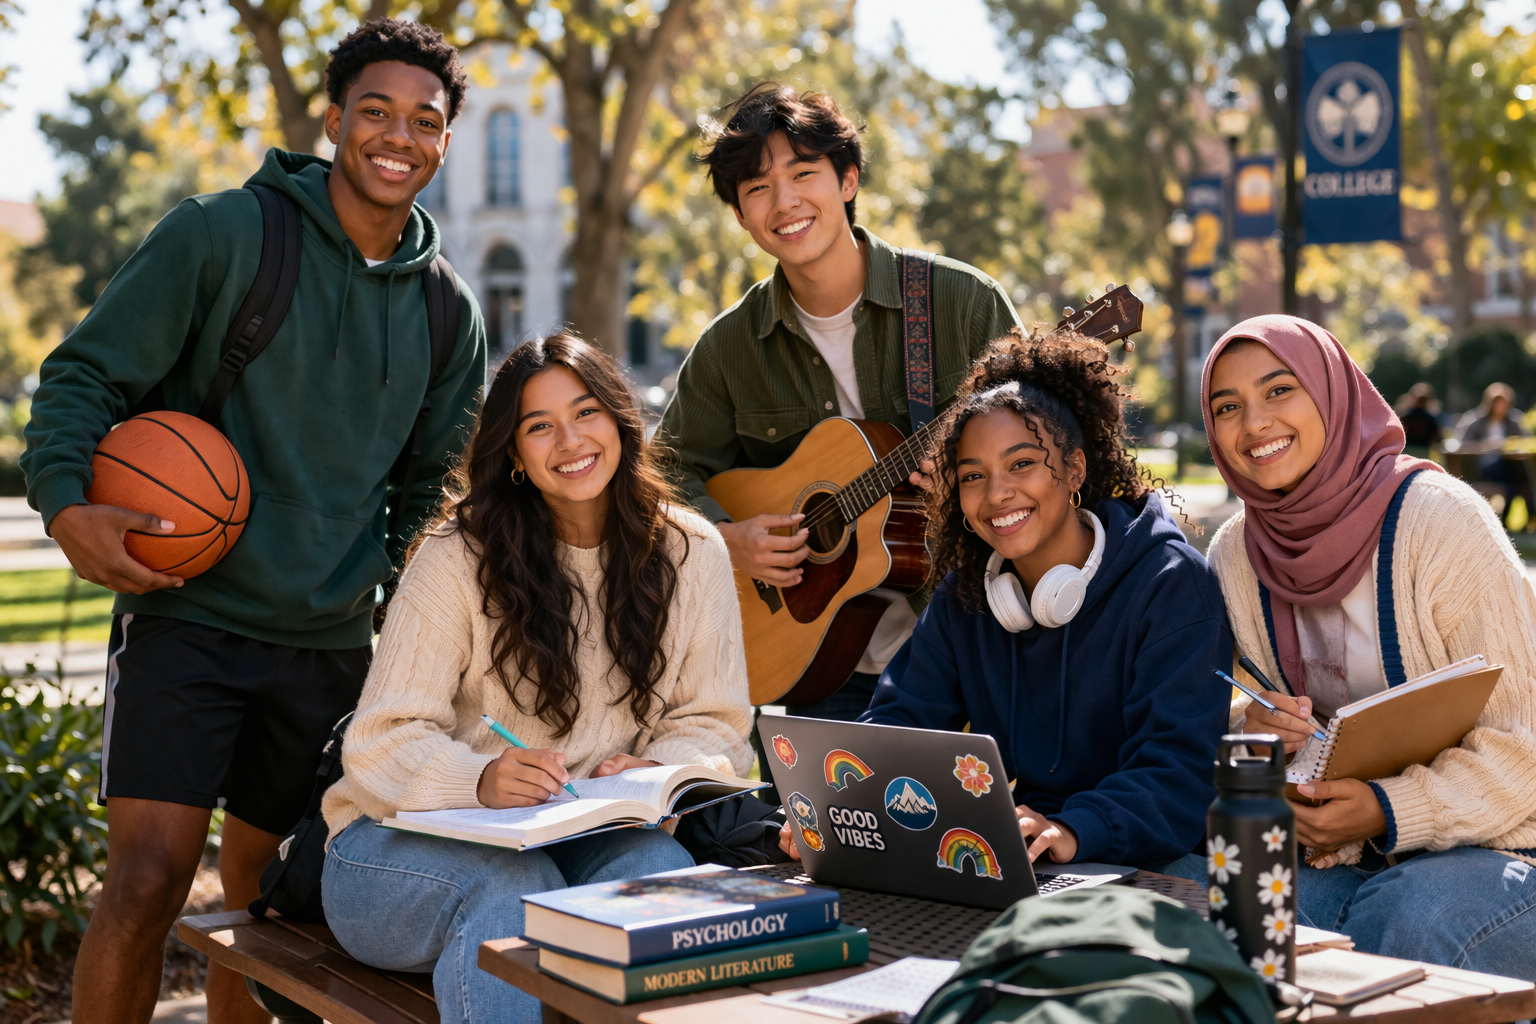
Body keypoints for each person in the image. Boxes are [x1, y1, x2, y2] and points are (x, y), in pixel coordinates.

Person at [19, 20, 486, 1024]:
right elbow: (82, 376)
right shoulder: (224, 234)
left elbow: (427, 492)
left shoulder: (450, 314)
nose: (398, 136)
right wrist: (65, 505)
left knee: (263, 910)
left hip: (325, 650)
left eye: (425, 119)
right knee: (146, 882)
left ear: (446, 141)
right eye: (375, 110)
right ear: (331, 119)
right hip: (187, 616)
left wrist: (393, 612)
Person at [320, 334, 754, 1024]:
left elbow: (716, 726)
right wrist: (479, 780)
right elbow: (379, 741)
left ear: (620, 420)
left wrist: (658, 770)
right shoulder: (456, 557)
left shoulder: (692, 551)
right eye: (539, 426)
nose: (570, 440)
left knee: (657, 876)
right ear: (514, 454)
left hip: (579, 836)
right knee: (511, 889)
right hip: (393, 852)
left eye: (586, 413)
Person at [780, 328, 1233, 877]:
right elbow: (902, 720)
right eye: (973, 476)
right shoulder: (969, 594)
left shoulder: (1172, 584)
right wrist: (842, 803)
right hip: (1026, 853)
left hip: (1157, 858)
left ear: (1074, 470)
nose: (997, 494)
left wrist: (1073, 829)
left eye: (1022, 464)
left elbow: (1177, 774)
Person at [657, 83, 1022, 724]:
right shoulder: (729, 350)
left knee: (971, 827)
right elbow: (660, 477)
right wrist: (726, 538)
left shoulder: (960, 303)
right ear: (741, 216)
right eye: (758, 189)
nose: (785, 202)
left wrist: (977, 473)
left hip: (974, 644)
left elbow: (1047, 444)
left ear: (848, 179)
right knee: (802, 831)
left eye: (804, 174)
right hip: (816, 666)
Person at [1202, 314, 1536, 980]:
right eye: (1226, 407)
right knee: (1220, 907)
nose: (1254, 422)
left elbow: (1525, 746)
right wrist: (1258, 728)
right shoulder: (1236, 555)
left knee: (1407, 919)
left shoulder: (1440, 522)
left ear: (1331, 392)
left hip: (1506, 845)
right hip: (1346, 853)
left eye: (1278, 391)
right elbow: (1236, 714)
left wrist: (1387, 808)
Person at [1456, 382, 1533, 530]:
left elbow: (1525, 442)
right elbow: (1461, 444)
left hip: (1506, 467)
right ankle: (1507, 521)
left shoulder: (1513, 421)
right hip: (1483, 467)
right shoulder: (1476, 420)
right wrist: (1486, 445)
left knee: (1513, 480)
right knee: (1514, 477)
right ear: (1491, 403)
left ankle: (1504, 522)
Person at [1394, 382, 1442, 455]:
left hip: (1407, 451)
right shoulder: (1430, 418)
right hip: (1423, 451)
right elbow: (1436, 436)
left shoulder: (1405, 417)